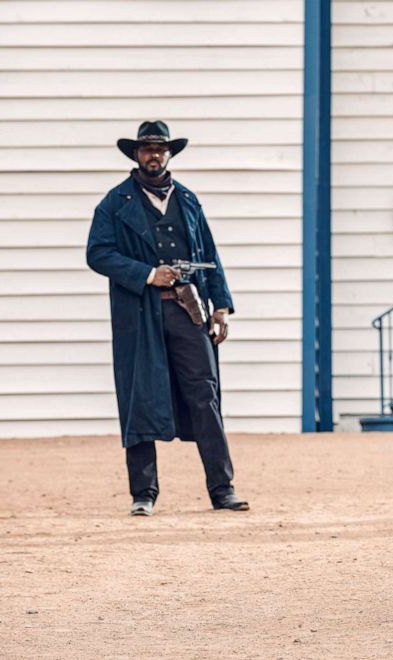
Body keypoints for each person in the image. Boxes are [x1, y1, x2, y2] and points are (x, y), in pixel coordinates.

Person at [87, 121, 248, 516]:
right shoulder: (114, 202)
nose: (153, 155)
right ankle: (143, 494)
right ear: (136, 155)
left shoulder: (189, 200)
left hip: (187, 310)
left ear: (169, 153)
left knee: (205, 395)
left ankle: (222, 489)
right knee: (139, 398)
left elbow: (210, 254)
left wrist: (221, 306)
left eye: (160, 148)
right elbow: (98, 253)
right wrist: (147, 274)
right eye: (146, 149)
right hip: (139, 314)